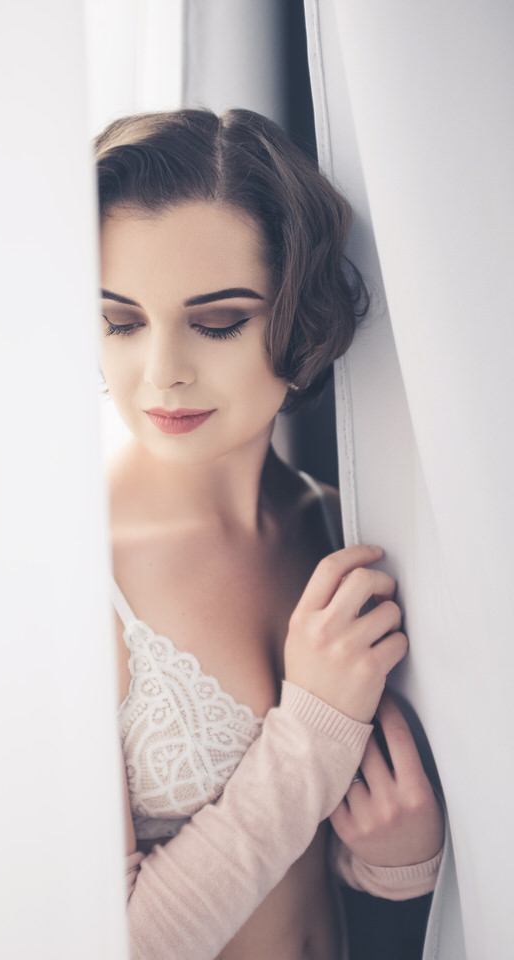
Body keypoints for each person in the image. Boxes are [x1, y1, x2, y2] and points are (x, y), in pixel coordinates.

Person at [95, 108, 444, 960]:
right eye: (120, 320)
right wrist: (314, 733)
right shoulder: (77, 575)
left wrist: (399, 866)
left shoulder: (335, 520)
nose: (162, 371)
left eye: (217, 322)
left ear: (299, 315)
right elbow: (111, 943)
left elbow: (305, 860)